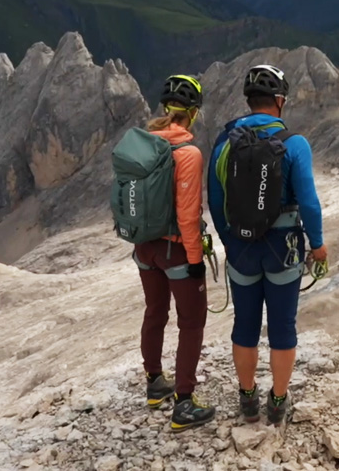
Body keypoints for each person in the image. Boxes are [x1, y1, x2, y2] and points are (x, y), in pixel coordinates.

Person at [208, 64, 328, 425]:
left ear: (249, 100)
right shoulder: (294, 143)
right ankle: (277, 401)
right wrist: (318, 246)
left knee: (244, 325)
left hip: (241, 248)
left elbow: (215, 199)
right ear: (279, 101)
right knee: (282, 327)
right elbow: (308, 202)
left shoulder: (224, 141)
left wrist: (230, 240)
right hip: (284, 250)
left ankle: (247, 398)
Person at [132, 75, 216, 432]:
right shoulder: (188, 153)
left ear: (166, 110)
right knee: (192, 322)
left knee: (155, 311)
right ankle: (184, 403)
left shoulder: (142, 144)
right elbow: (187, 215)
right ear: (193, 113)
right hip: (175, 251)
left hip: (143, 247)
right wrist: (196, 260)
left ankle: (155, 382)